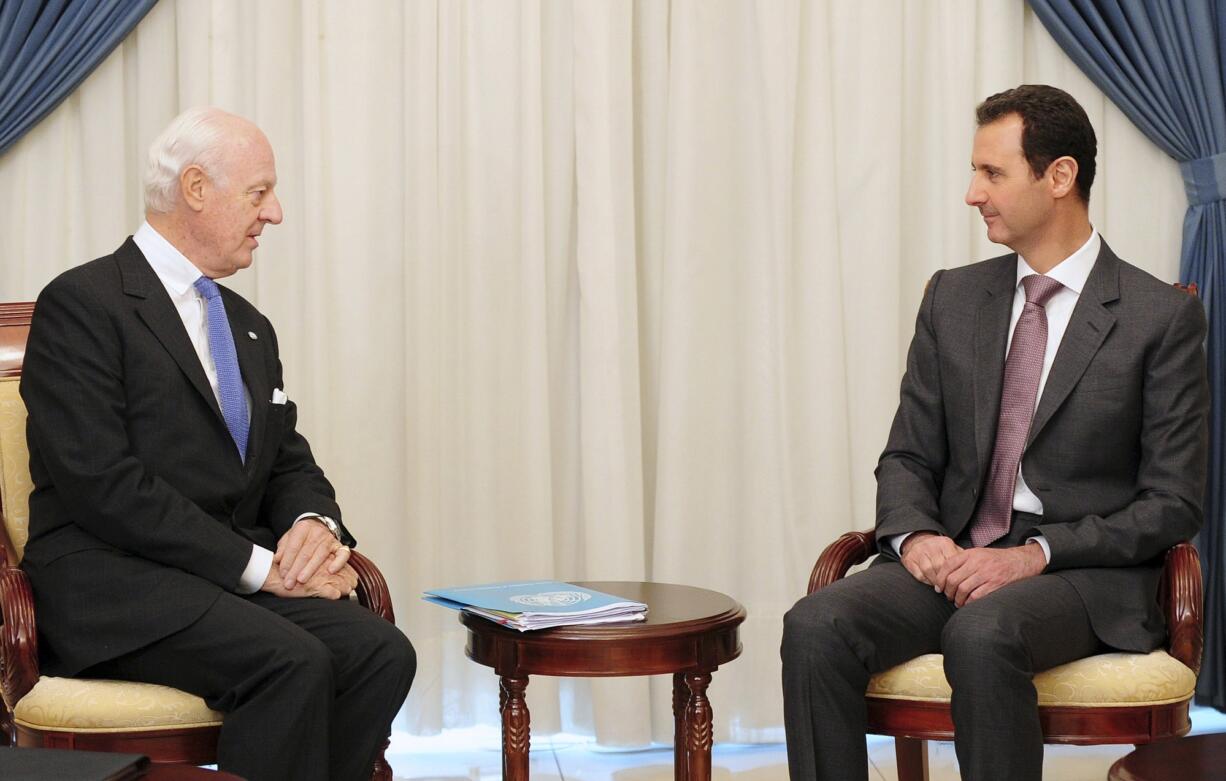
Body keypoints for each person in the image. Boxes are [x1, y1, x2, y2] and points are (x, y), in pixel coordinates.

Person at [781, 84, 1208, 781]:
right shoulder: (953, 297)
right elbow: (908, 453)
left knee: (982, 632)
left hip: (1079, 574)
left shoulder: (1157, 317)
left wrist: (1035, 552)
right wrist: (915, 536)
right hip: (956, 555)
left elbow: (1172, 503)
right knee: (815, 625)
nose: (972, 193)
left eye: (992, 173)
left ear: (1060, 177)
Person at [20, 107, 415, 781]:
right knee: (291, 660)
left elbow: (289, 460)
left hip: (219, 581)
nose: (277, 213)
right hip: (116, 586)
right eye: (260, 192)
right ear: (196, 189)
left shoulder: (247, 325)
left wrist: (310, 528)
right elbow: (104, 484)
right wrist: (267, 569)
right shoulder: (82, 303)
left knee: (382, 652)